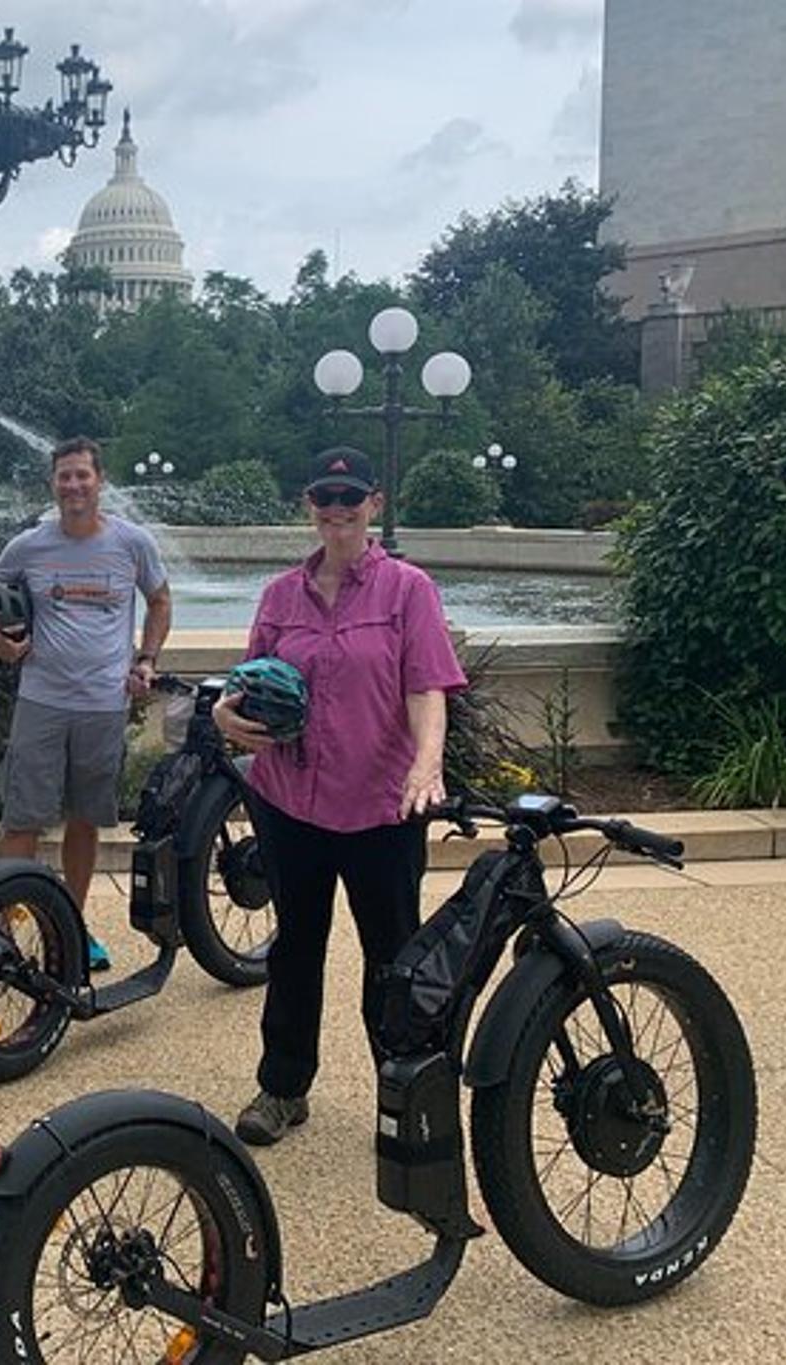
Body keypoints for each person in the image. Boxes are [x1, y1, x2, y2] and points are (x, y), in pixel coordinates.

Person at [212, 446, 467, 1145]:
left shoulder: (407, 589)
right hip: (291, 800)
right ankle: (282, 1086)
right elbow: (245, 685)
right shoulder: (280, 596)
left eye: (350, 496)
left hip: (381, 804)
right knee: (296, 943)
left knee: (393, 954)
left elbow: (426, 685)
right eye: (325, 496)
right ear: (310, 505)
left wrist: (427, 764)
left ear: (374, 504)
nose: (338, 508)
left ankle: (403, 1087)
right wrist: (221, 716)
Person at [0, 436, 171, 971]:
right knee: (23, 822)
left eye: (82, 475)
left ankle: (72, 928)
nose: (74, 485)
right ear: (53, 484)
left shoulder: (133, 543)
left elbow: (159, 600)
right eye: (64, 476)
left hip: (104, 706)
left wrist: (147, 659)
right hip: (41, 700)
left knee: (85, 820)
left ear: (99, 481)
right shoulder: (29, 546)